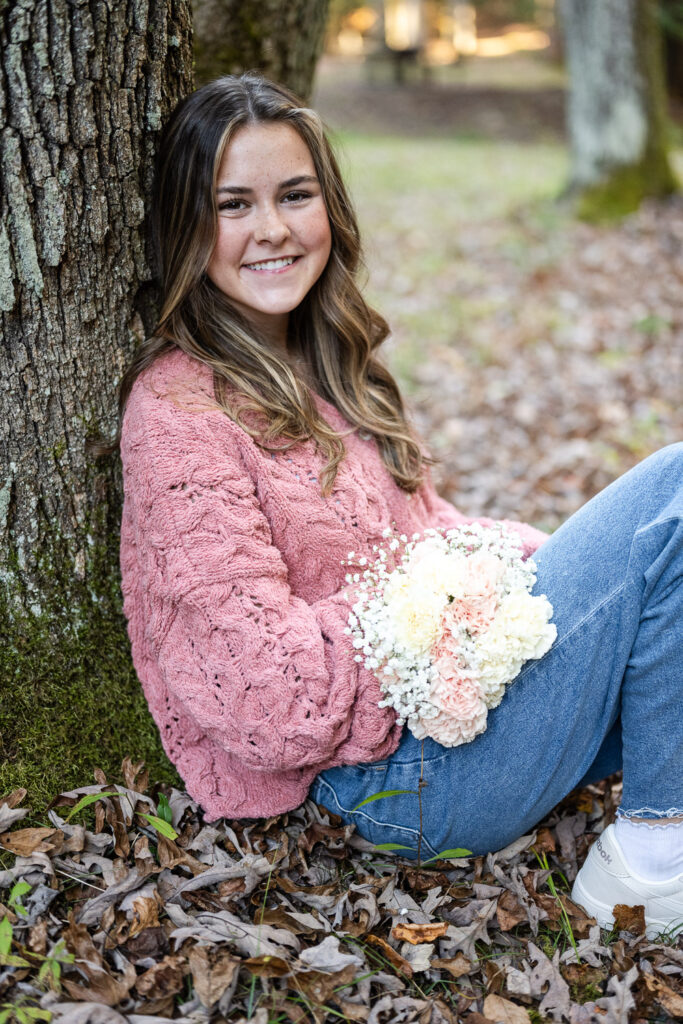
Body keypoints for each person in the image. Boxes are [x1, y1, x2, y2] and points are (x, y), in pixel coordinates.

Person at [115, 73, 683, 939]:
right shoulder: (177, 418)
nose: (270, 229)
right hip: (391, 783)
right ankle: (648, 862)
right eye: (232, 205)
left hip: (449, 717)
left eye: (293, 195)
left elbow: (428, 535)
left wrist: (534, 569)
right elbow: (271, 702)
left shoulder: (331, 365)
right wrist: (427, 609)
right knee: (675, 491)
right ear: (186, 226)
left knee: (656, 595)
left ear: (327, 209)